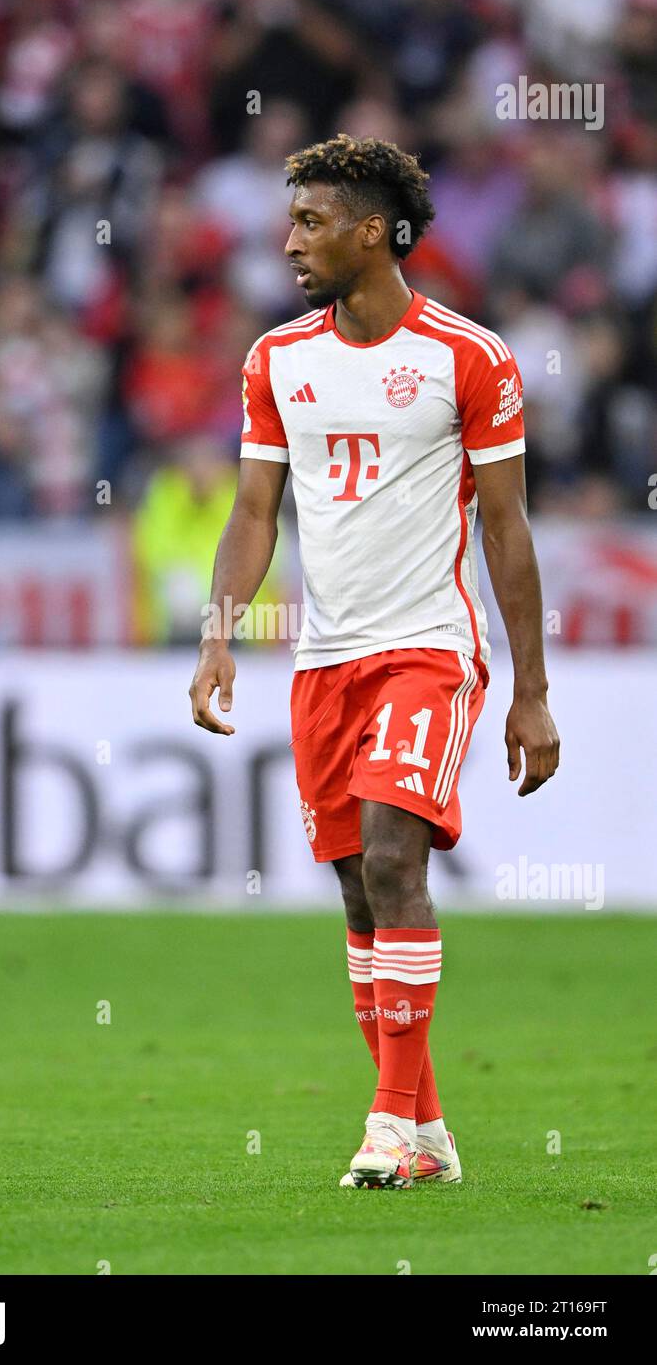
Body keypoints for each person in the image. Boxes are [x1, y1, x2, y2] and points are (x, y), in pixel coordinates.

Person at [189, 134, 560, 1190]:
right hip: (324, 659)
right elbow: (254, 509)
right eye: (288, 219)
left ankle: (386, 1125)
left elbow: (505, 530)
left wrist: (528, 690)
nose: (287, 241)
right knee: (359, 892)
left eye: (309, 222)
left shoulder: (468, 356)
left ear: (369, 230)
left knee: (399, 860)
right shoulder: (276, 360)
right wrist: (221, 630)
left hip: (426, 650)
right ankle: (428, 1130)